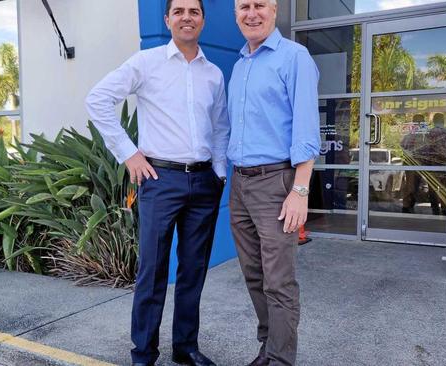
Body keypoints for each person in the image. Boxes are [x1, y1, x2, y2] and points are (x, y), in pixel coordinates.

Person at [85, 1, 229, 365]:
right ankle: (143, 353)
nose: (186, 17)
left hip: (203, 181)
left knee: (193, 269)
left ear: (202, 20)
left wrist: (220, 171)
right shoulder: (145, 63)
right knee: (152, 271)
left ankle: (185, 347)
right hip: (159, 180)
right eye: (178, 11)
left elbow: (221, 127)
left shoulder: (213, 74)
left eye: (193, 11)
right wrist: (129, 154)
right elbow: (98, 100)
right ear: (167, 20)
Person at [227, 0, 320, 365]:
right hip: (240, 184)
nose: (251, 13)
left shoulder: (294, 57)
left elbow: (305, 128)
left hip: (276, 182)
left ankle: (281, 360)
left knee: (278, 281)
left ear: (275, 9)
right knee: (253, 275)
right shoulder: (240, 66)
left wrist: (300, 189)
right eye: (243, 6)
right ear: (236, 13)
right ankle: (268, 348)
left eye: (259, 5)